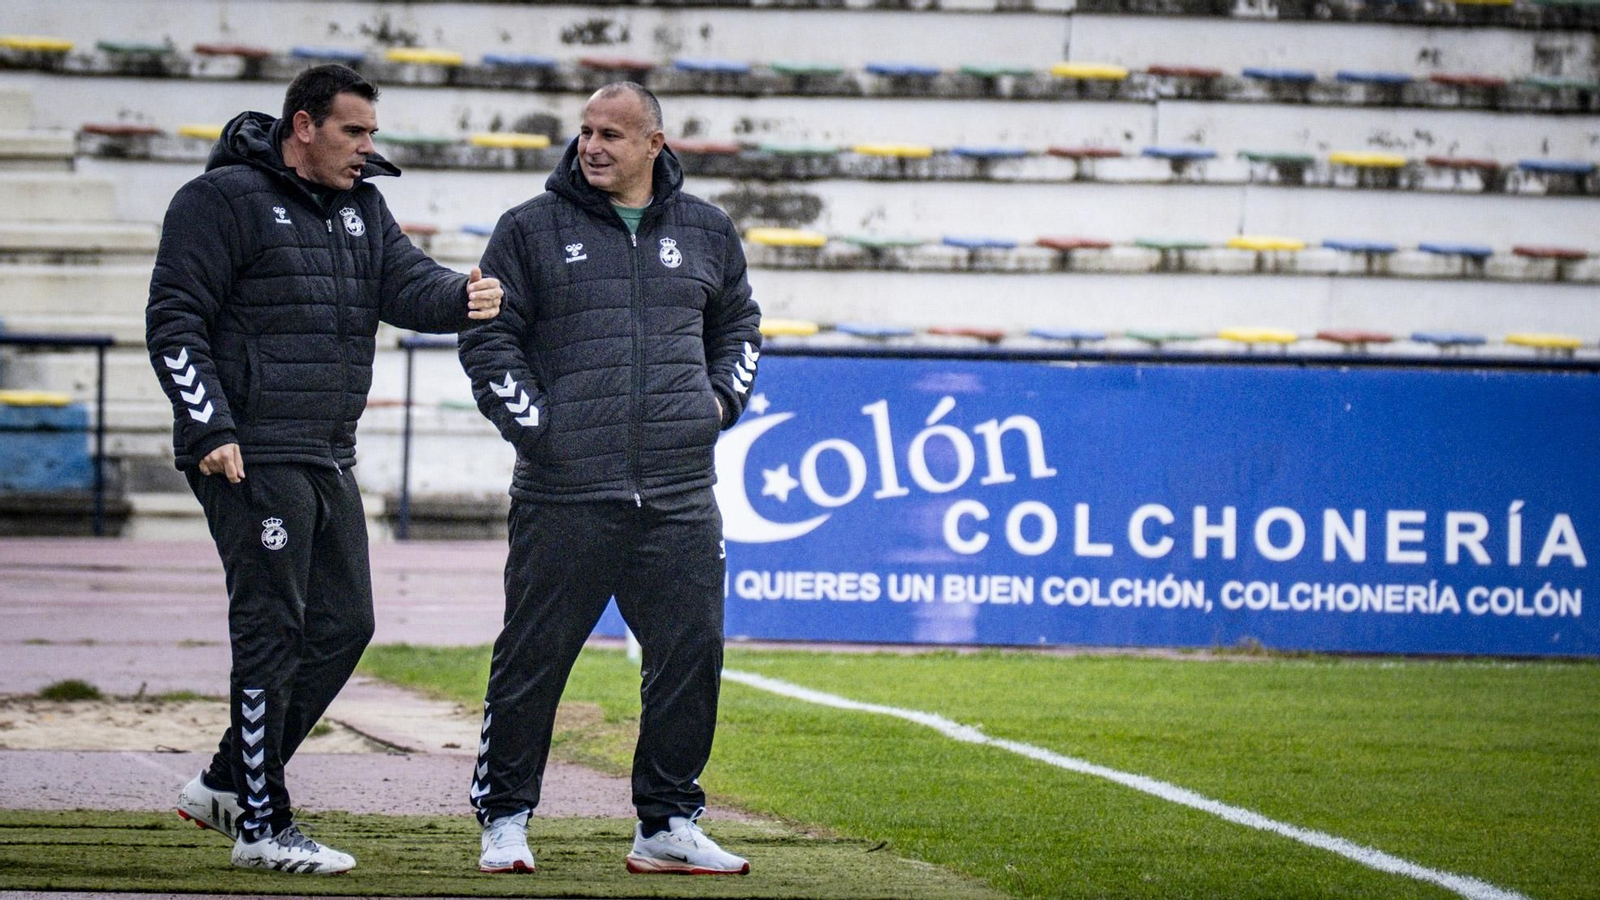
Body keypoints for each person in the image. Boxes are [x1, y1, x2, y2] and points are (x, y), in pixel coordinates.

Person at [146, 64, 502, 874]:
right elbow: (173, 318)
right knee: (272, 629)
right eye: (355, 132)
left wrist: (464, 296)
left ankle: (226, 782)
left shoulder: (362, 207)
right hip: (248, 452)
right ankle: (261, 827)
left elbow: (406, 287)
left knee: (346, 624)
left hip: (325, 450)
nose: (368, 149)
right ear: (303, 125)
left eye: (372, 133)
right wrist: (209, 425)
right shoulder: (221, 201)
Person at [457, 82, 760, 876]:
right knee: (533, 659)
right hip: (565, 493)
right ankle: (506, 817)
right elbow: (489, 342)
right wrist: (537, 429)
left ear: (654, 145)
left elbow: (740, 325)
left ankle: (667, 821)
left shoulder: (708, 231)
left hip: (679, 493)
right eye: (586, 131)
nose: (592, 145)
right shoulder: (527, 229)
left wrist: (718, 402)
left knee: (690, 655)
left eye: (612, 135)